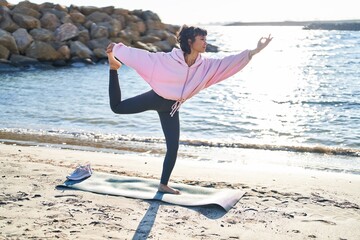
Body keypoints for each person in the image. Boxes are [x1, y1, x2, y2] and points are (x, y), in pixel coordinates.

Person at [106, 25, 272, 194]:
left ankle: (163, 184)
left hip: (171, 109)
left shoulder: (205, 66)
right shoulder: (168, 59)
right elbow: (144, 58)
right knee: (117, 108)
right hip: (155, 98)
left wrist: (254, 51)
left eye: (206, 39)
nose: (205, 43)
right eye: (202, 39)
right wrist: (119, 50)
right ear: (190, 41)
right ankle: (114, 68)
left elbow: (227, 63)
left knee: (173, 147)